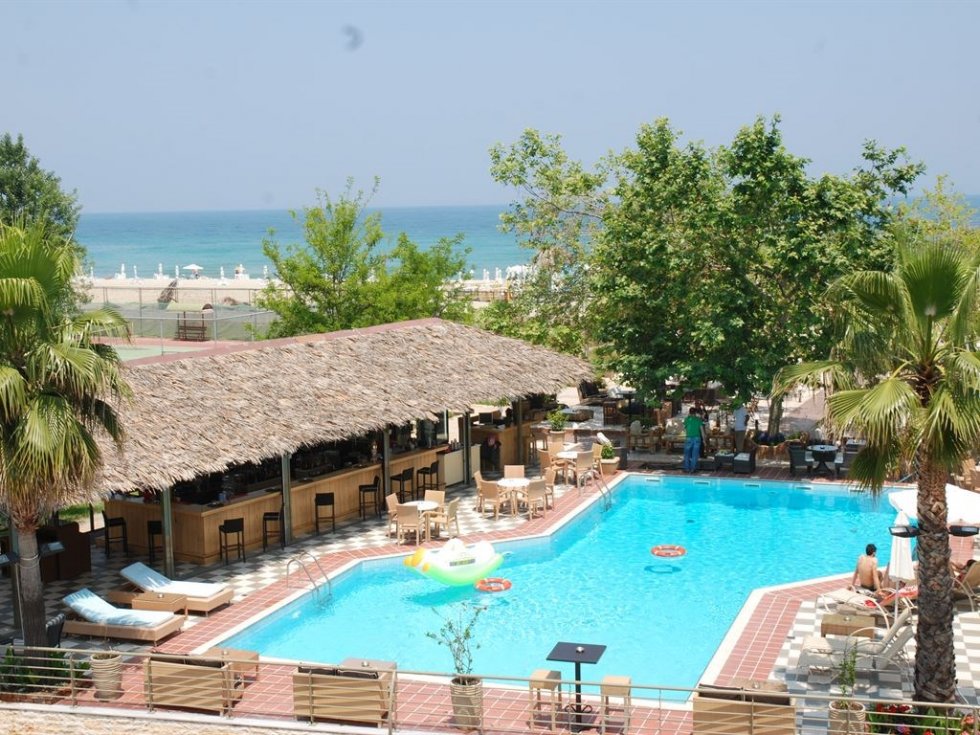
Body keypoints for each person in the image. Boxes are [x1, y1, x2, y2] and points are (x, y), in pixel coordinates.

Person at [682, 407, 704, 473]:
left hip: (689, 438)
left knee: (687, 454)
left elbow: (684, 428)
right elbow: (702, 431)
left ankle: (687, 468)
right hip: (697, 438)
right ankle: (693, 469)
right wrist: (704, 440)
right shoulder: (698, 420)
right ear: (695, 413)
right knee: (695, 454)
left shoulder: (687, 419)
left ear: (689, 412)